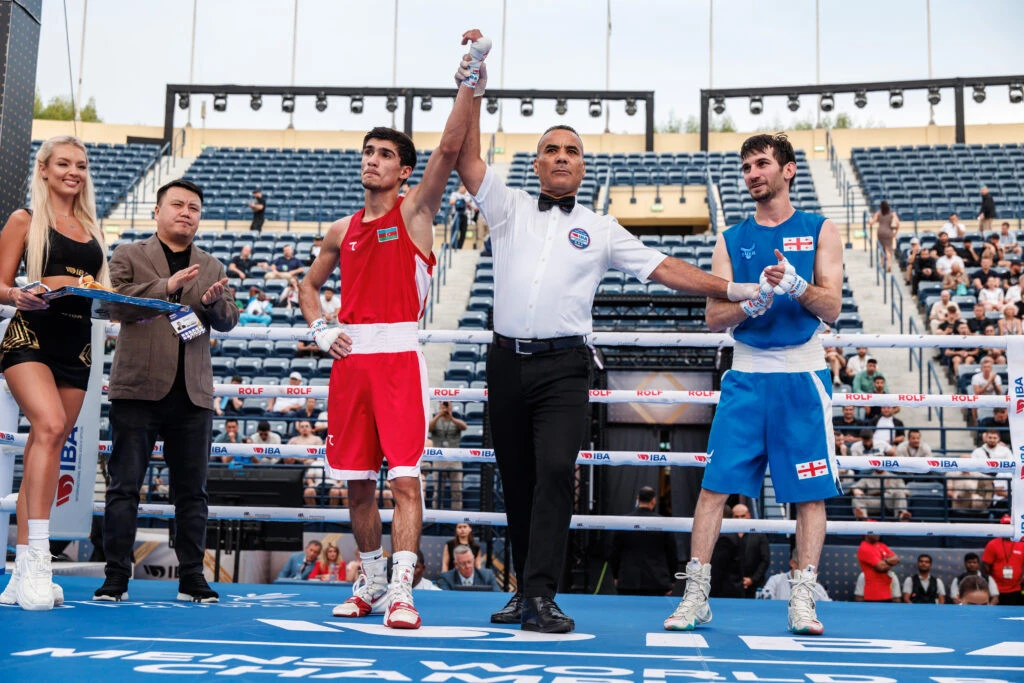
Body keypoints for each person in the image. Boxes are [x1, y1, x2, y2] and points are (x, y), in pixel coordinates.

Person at [455, 70, 761, 637]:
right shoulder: (508, 207)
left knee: (553, 472)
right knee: (517, 480)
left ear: (582, 167)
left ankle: (542, 594)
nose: (562, 157)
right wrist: (472, 84)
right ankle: (524, 589)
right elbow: (465, 155)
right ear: (537, 162)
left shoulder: (601, 228)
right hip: (504, 361)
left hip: (565, 367)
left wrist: (735, 289)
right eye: (552, 149)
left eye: (572, 150)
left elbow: (666, 269)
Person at [297, 29, 492, 631]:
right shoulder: (339, 229)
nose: (372, 159)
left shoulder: (416, 212)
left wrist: (470, 78)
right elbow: (306, 286)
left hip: (399, 357)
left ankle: (405, 590)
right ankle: (372, 579)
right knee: (356, 486)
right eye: (368, 151)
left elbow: (449, 149)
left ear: (403, 170)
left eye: (384, 154)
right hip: (349, 358)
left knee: (405, 480)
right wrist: (320, 325)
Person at [94, 179, 239, 604]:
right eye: (177, 204)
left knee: (192, 492)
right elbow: (114, 303)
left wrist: (214, 304)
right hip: (137, 389)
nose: (186, 212)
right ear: (157, 211)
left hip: (192, 394)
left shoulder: (211, 265)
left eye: (194, 207)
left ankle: (192, 575)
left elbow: (228, 319)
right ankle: (116, 575)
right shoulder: (128, 255)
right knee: (124, 486)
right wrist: (167, 287)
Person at [0, 136, 109, 611]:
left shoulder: (91, 226)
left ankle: (21, 568)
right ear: (43, 169)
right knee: (47, 427)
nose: (73, 172)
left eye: (80, 165)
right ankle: (41, 559)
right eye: (63, 163)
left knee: (50, 441)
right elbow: (0, 284)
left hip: (77, 343)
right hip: (30, 337)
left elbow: (100, 289)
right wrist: (16, 294)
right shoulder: (25, 219)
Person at [609, 487, 677, 596]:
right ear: (654, 500)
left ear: (638, 498)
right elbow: (672, 554)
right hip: (657, 582)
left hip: (628, 581)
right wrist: (672, 580)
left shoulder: (623, 522)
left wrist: (616, 576)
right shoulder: (664, 523)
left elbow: (614, 553)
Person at [427, 401, 468, 511]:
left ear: (451, 407)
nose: (445, 407)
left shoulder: (455, 420)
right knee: (438, 491)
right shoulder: (436, 421)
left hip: (454, 460)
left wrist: (451, 417)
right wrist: (439, 415)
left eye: (447, 405)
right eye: (443, 404)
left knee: (457, 491)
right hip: (439, 460)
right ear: (440, 406)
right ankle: (436, 515)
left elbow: (464, 427)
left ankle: (456, 517)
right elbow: (429, 428)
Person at [730, 503, 771, 599]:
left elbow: (765, 560)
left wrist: (752, 579)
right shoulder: (726, 535)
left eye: (743, 516)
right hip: (731, 586)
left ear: (749, 515)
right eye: (736, 517)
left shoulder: (759, 535)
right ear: (732, 517)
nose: (740, 519)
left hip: (756, 586)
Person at [761, 549, 831, 602]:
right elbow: (764, 603)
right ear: (793, 563)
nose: (811, 570)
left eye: (813, 566)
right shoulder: (775, 581)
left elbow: (829, 608)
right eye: (807, 565)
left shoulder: (817, 588)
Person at [857, 530, 901, 603]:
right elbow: (880, 567)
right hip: (873, 594)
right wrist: (888, 562)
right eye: (875, 532)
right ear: (867, 533)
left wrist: (884, 562)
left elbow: (896, 559)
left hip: (886, 592)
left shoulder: (881, 545)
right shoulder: (865, 547)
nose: (878, 534)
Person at [436, 544, 501, 591]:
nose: (468, 566)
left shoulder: (487, 575)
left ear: (474, 560)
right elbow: (446, 600)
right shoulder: (446, 578)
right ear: (456, 564)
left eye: (470, 562)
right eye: (463, 563)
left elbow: (497, 596)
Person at [982, 537, 1024, 605]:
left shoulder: (1021, 545)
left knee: (1014, 614)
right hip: (996, 591)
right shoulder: (993, 544)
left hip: (1015, 590)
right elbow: (986, 566)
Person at [867, 200, 899, 272]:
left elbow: (872, 222)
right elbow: (898, 224)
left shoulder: (878, 213)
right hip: (889, 232)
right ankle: (889, 264)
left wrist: (868, 222)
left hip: (880, 232)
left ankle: (883, 264)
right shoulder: (892, 214)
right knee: (889, 249)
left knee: (882, 249)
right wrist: (896, 233)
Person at [448, 183, 474, 249]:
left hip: (464, 215)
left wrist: (467, 204)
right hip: (456, 214)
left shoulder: (468, 196)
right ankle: (453, 246)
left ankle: (459, 247)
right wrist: (460, 201)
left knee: (463, 232)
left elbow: (471, 208)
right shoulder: (455, 194)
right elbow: (451, 202)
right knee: (454, 231)